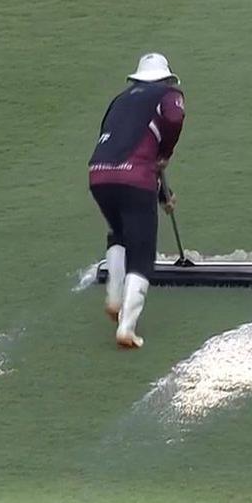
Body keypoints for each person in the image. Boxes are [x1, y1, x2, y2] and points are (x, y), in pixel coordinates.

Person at [88, 53, 185, 348]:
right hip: (135, 178)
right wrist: (166, 152)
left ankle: (115, 299)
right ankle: (126, 328)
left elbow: (126, 147)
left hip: (99, 175)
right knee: (142, 256)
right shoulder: (170, 94)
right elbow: (174, 117)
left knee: (119, 233)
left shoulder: (119, 101)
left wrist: (161, 195)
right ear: (166, 78)